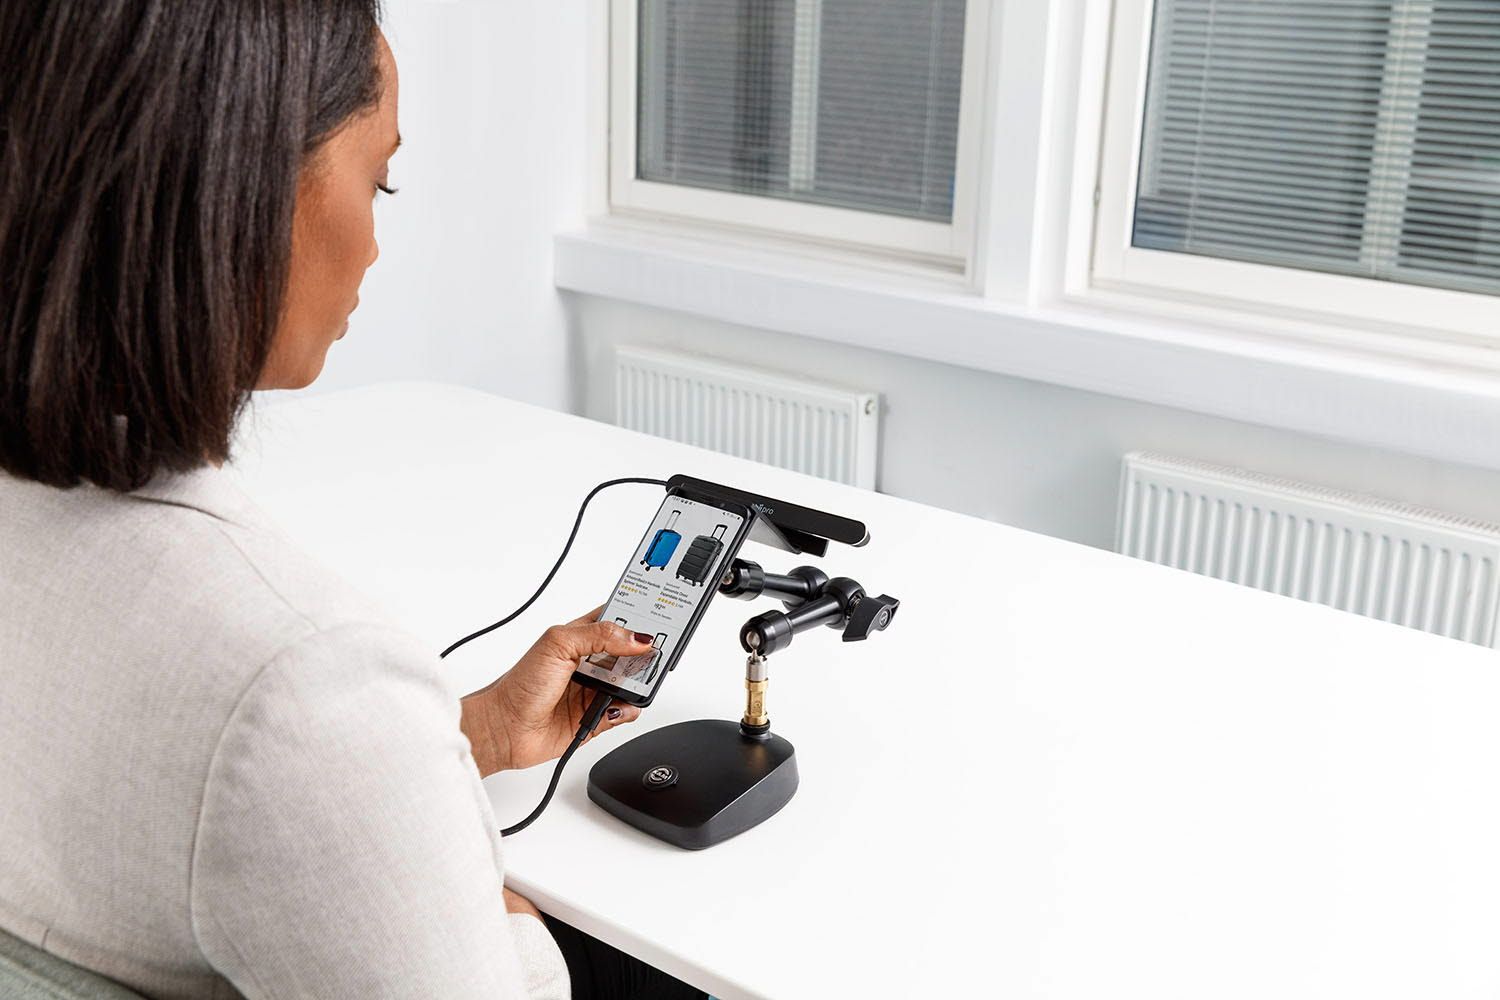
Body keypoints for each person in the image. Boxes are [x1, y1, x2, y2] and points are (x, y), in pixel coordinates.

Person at [0, 3, 706, 998]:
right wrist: (498, 902)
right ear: (231, 188)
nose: (376, 246)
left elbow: (178, 804)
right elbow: (276, 747)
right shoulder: (293, 674)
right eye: (381, 179)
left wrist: (471, 738)